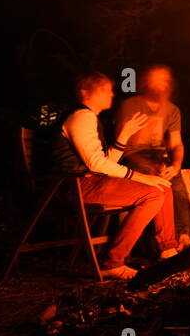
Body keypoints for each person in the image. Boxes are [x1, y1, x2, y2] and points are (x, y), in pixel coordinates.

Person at [51, 71, 177, 280]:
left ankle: (168, 251)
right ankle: (112, 262)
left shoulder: (89, 118)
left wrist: (123, 136)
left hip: (86, 181)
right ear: (89, 92)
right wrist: (140, 177)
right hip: (73, 185)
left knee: (162, 186)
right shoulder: (82, 116)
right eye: (107, 90)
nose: (112, 94)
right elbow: (96, 164)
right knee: (152, 194)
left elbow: (104, 162)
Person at [115, 64, 190, 245]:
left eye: (165, 80)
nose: (162, 84)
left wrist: (175, 166)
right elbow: (122, 146)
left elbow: (176, 144)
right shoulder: (130, 105)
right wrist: (148, 167)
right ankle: (151, 242)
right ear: (145, 82)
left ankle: (182, 237)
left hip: (160, 158)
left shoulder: (172, 110)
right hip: (133, 157)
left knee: (177, 183)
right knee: (157, 184)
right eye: (157, 79)